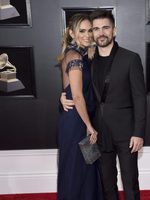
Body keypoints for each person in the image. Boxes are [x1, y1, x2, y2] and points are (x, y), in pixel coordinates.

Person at [61, 10, 147, 200]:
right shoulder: (87, 60)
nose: (100, 33)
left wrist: (138, 132)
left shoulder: (130, 58)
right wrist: (62, 94)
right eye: (96, 29)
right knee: (106, 184)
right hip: (98, 132)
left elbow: (140, 98)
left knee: (130, 182)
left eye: (105, 28)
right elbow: (75, 87)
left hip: (126, 133)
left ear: (114, 31)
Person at [57, 13, 102, 200]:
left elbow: (66, 88)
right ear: (71, 33)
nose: (87, 34)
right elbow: (76, 96)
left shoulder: (81, 55)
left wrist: (61, 95)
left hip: (77, 117)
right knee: (78, 168)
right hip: (77, 120)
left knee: (84, 166)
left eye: (90, 30)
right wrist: (89, 126)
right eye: (81, 30)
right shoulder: (75, 56)